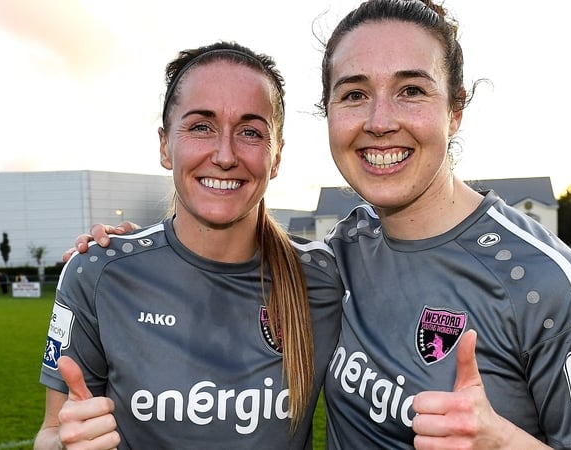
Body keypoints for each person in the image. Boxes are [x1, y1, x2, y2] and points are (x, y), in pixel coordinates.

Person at [69, 1, 571, 448]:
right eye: (354, 94)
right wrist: (129, 250)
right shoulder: (340, 256)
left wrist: (504, 444)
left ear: (456, 109)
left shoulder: (550, 287)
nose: (379, 121)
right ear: (329, 114)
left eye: (411, 90)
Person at [35, 41, 343, 450]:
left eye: (250, 132)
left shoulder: (325, 278)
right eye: (201, 126)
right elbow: (51, 433)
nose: (225, 155)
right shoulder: (97, 273)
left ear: (277, 156)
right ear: (165, 145)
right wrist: (65, 445)